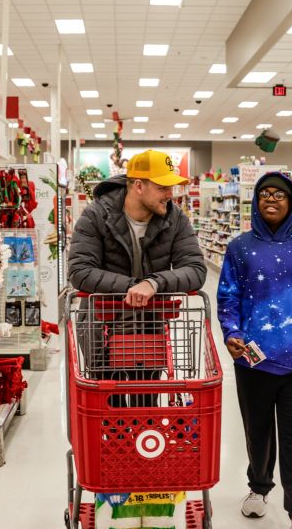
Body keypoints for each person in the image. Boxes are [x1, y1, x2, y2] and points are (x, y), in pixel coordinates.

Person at [217, 171, 292, 529]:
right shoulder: (239, 247)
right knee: (258, 432)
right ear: (256, 201)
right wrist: (232, 333)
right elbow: (228, 296)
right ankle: (258, 487)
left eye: (280, 194)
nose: (271, 199)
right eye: (265, 193)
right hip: (252, 360)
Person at [68, 150, 206, 405]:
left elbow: (196, 270)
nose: (170, 194)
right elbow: (79, 271)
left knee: (146, 406)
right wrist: (133, 287)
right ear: (139, 186)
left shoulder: (175, 219)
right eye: (163, 187)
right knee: (109, 408)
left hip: (149, 328)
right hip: (102, 327)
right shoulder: (96, 215)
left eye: (171, 187)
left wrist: (154, 283)